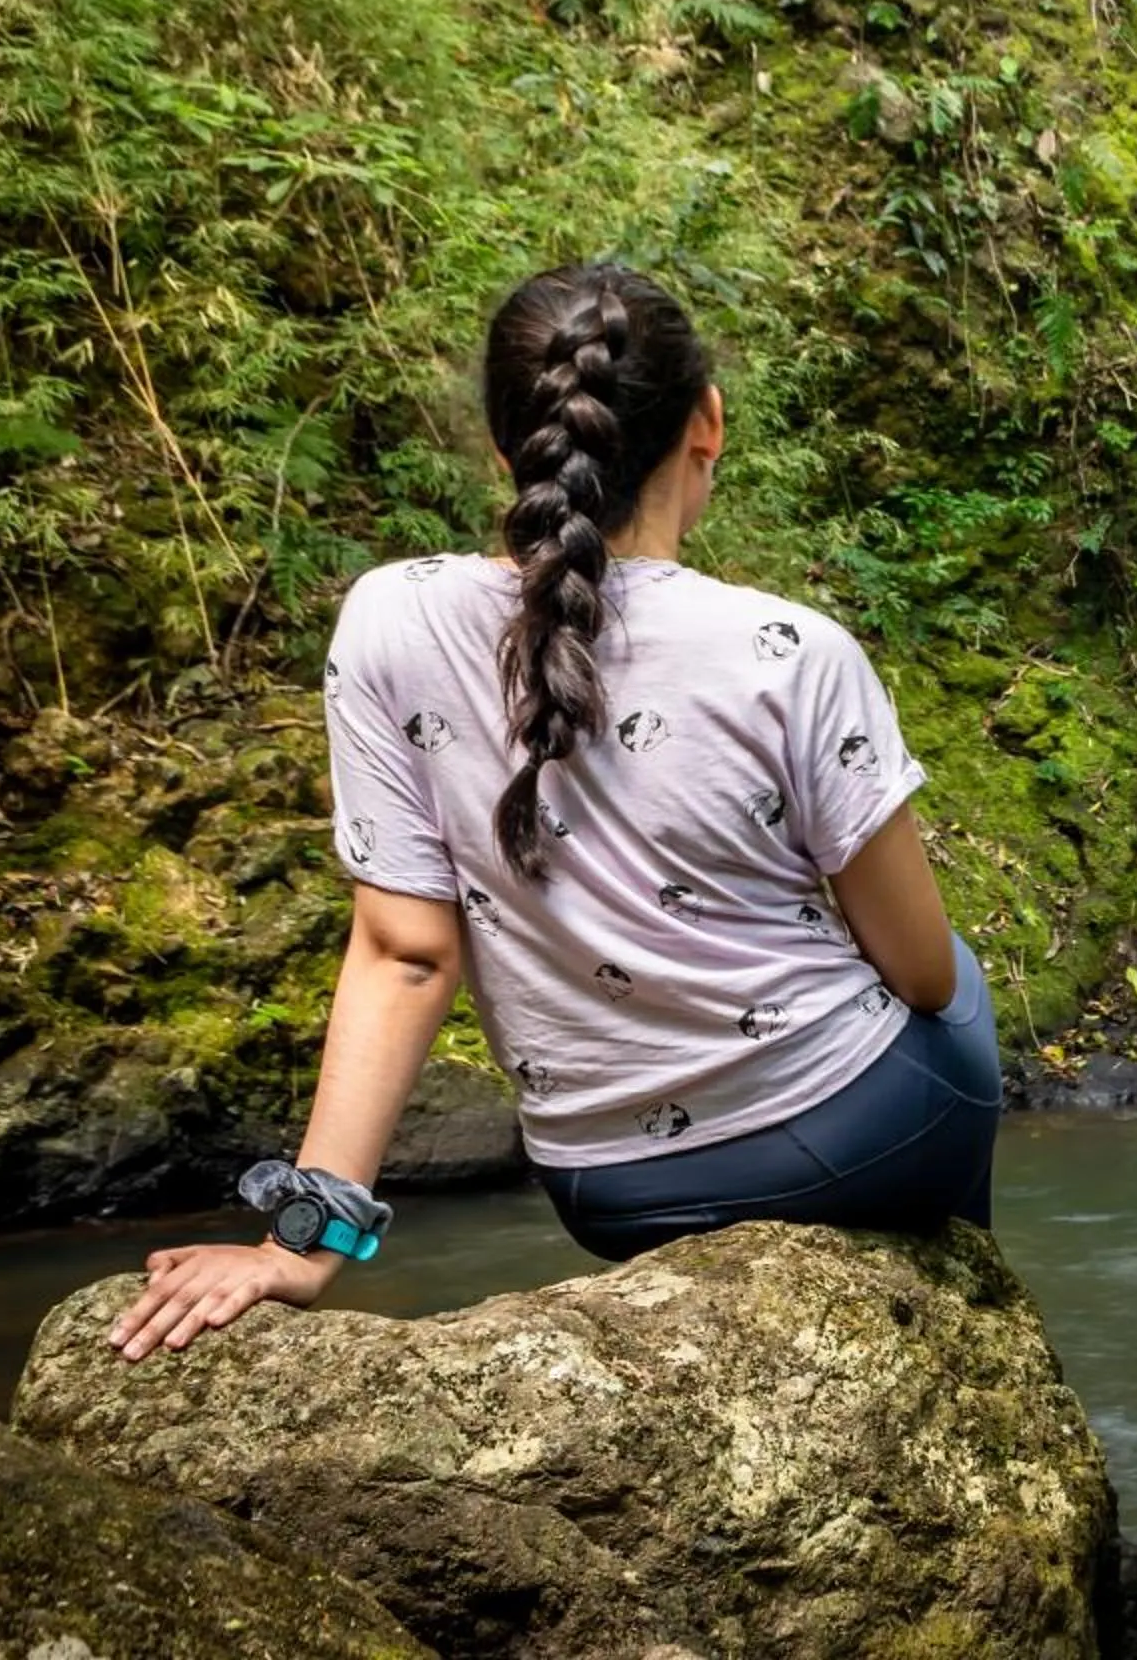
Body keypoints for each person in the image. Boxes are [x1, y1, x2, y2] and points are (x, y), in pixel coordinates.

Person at [110, 262, 1000, 1362]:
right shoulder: (792, 651)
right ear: (709, 423)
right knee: (964, 990)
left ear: (505, 447)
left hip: (606, 1187)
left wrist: (299, 1241)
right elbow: (920, 975)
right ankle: (961, 1334)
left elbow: (403, 954)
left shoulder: (389, 619)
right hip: (854, 1140)